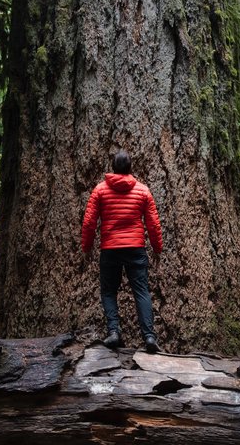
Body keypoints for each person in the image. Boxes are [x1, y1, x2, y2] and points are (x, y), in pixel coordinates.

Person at [81, 150, 164, 353]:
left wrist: (87, 246)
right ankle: (149, 337)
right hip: (136, 248)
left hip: (110, 249)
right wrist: (157, 247)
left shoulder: (100, 191)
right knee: (141, 291)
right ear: (130, 168)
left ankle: (114, 332)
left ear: (113, 166)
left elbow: (89, 222)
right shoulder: (143, 191)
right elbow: (153, 223)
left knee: (109, 291)